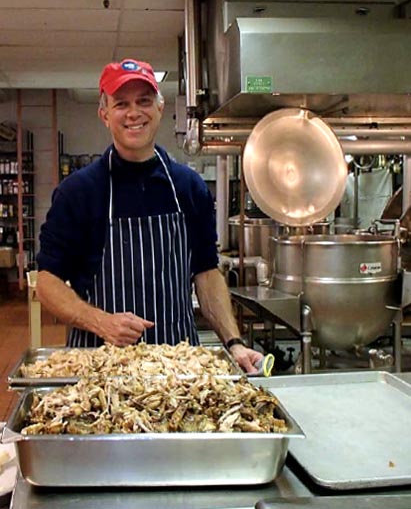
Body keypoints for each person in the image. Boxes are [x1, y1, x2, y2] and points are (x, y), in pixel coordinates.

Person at [36, 58, 263, 374]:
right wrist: (100, 321)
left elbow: (207, 273)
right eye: (121, 104)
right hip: (101, 369)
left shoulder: (188, 186)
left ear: (159, 107)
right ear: (104, 114)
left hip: (179, 367)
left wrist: (234, 342)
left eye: (143, 101)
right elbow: (47, 281)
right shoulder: (79, 191)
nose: (133, 113)